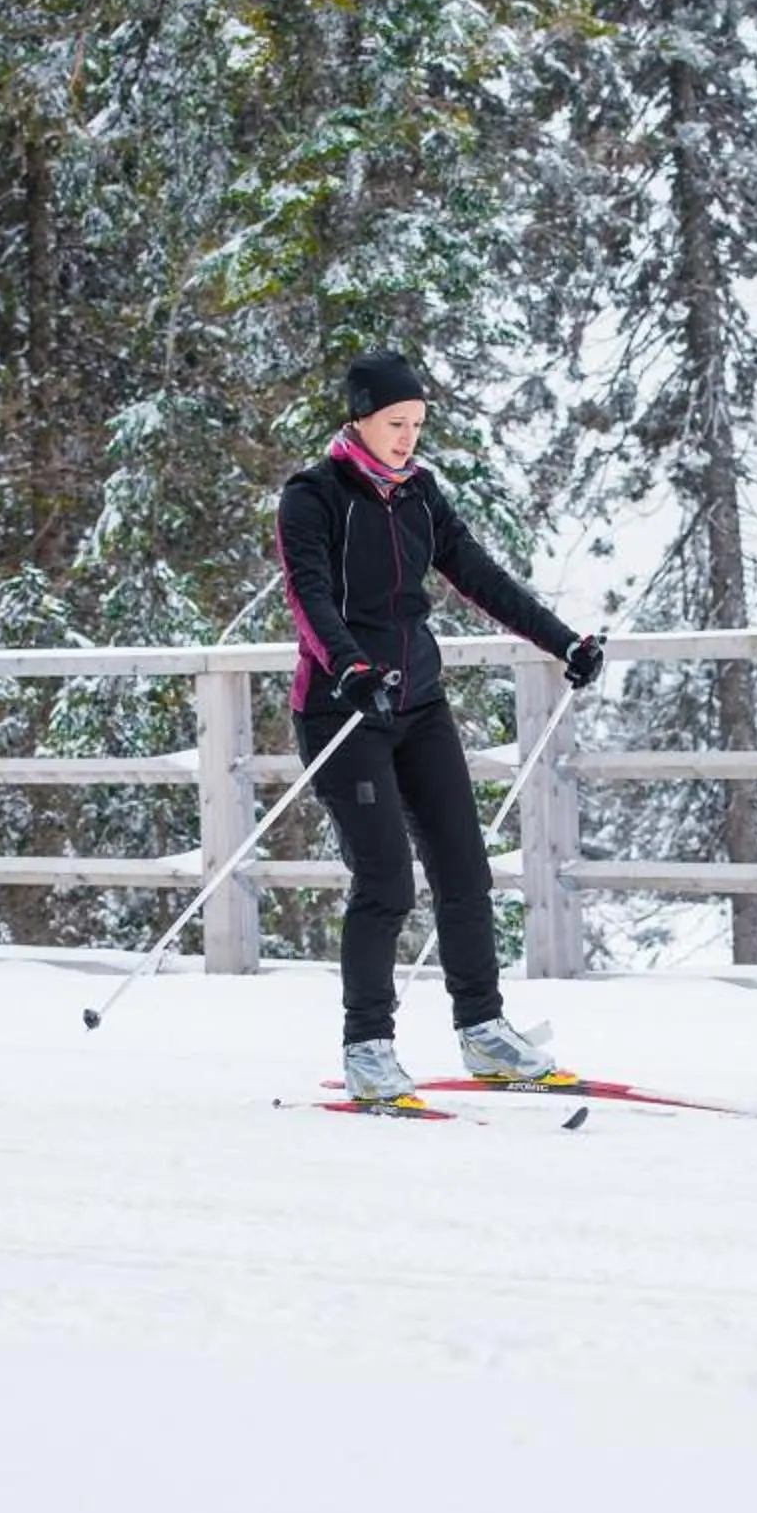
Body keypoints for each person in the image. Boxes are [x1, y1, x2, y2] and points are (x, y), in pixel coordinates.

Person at [276, 349, 607, 1102]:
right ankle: (368, 1047)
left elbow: (481, 577)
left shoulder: (420, 494)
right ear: (359, 416)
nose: (407, 439)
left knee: (465, 869)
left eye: (417, 425)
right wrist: (351, 668)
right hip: (343, 708)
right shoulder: (313, 496)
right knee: (386, 881)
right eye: (395, 423)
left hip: (417, 705)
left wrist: (564, 643)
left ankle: (484, 1032)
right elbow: (310, 598)